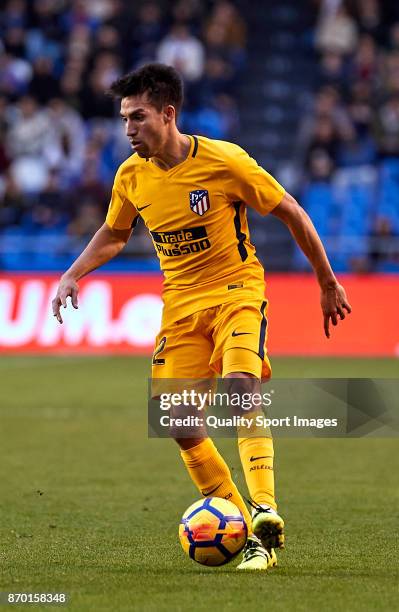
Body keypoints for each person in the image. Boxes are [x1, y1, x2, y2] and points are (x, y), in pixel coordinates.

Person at [52, 63, 352, 571]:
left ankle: (265, 511)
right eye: (124, 119)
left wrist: (326, 280)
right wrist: (72, 273)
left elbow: (292, 213)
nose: (128, 130)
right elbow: (115, 233)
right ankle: (243, 525)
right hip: (180, 307)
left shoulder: (225, 161)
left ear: (168, 114)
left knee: (241, 388)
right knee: (179, 424)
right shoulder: (130, 175)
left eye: (138, 118)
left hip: (236, 290)